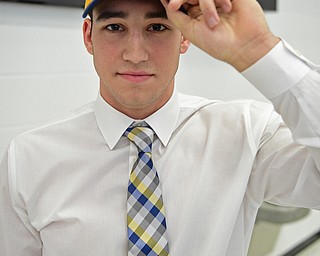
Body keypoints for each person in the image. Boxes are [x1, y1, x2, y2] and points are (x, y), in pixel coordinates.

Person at [0, 0, 319, 255]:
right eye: (114, 27)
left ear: (184, 37)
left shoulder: (247, 133)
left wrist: (260, 49)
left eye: (157, 26)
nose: (135, 54)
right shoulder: (28, 158)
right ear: (88, 36)